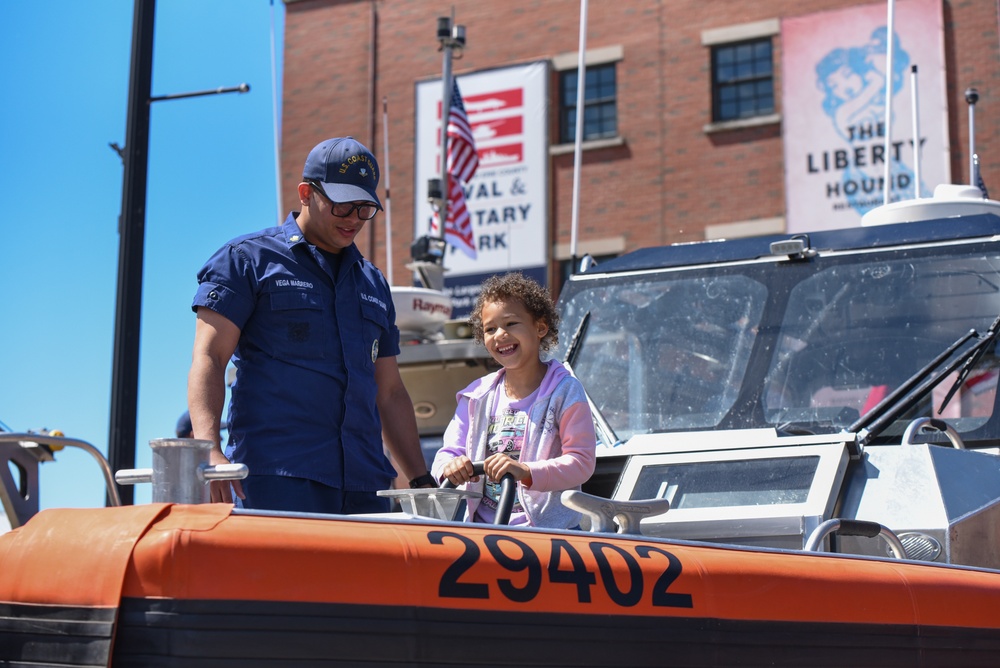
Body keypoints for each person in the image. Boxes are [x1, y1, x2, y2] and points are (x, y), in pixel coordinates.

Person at [187, 136, 434, 514]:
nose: (353, 219)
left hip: (367, 486)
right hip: (277, 478)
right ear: (306, 192)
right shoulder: (247, 260)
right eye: (342, 206)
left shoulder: (373, 283)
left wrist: (419, 479)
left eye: (364, 208)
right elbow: (210, 357)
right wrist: (208, 449)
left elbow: (390, 392)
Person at [432, 272, 597, 528]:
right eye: (490, 329)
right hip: (485, 533)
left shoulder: (565, 391)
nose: (500, 334)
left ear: (540, 328)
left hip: (549, 535)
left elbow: (581, 463)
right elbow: (446, 455)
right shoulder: (476, 396)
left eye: (510, 324)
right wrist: (450, 466)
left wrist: (527, 472)